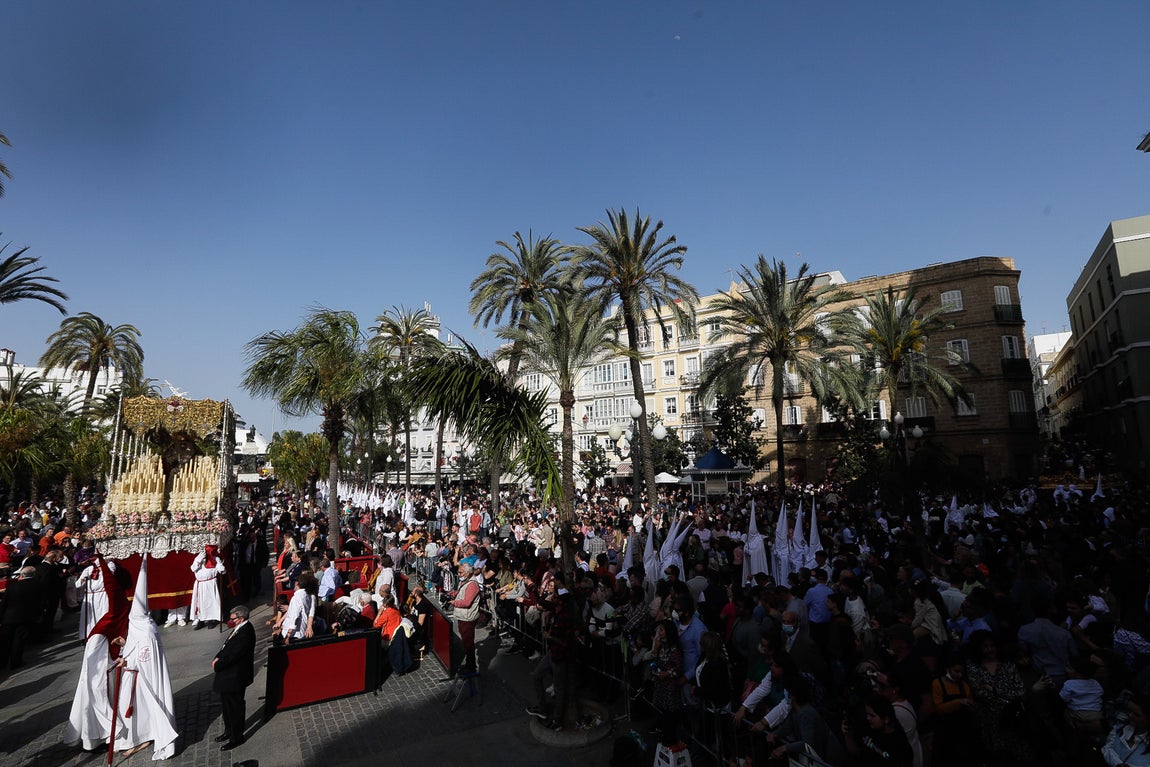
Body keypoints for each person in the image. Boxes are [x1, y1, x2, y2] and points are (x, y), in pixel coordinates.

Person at [113, 558, 178, 759]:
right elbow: (136, 646)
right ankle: (134, 738)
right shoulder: (140, 626)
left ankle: (139, 739)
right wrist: (125, 644)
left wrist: (126, 662)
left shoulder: (147, 631)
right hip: (134, 676)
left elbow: (145, 659)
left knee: (133, 708)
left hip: (142, 680)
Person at [64, 555, 127, 752]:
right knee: (95, 704)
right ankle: (95, 739)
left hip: (105, 673)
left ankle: (105, 736)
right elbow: (96, 667)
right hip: (97, 678)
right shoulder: (100, 632)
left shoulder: (113, 619)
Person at [212, 604, 256, 752]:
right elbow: (226, 646)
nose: (230, 621)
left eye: (233, 619)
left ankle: (237, 737)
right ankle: (229, 730)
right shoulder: (239, 629)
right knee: (227, 707)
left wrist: (218, 665)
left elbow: (234, 655)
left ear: (241, 618)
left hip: (236, 677)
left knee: (235, 708)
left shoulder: (246, 633)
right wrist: (217, 657)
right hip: (228, 677)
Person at [76, 555, 115, 642]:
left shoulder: (109, 566)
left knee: (102, 615)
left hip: (102, 595)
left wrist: (102, 568)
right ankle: (88, 636)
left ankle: (103, 635)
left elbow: (111, 574)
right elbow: (77, 585)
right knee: (89, 618)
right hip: (89, 597)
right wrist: (83, 578)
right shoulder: (88, 569)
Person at [452, 561, 482, 674]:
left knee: (468, 642)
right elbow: (462, 594)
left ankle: (471, 667)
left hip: (468, 617)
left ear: (467, 573)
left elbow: (466, 602)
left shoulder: (472, 584)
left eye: (460, 572)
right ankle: (469, 664)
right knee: (466, 641)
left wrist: (454, 602)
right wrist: (454, 594)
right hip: (463, 616)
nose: (458, 574)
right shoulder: (465, 581)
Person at [189, 545, 227, 630]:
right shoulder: (199, 557)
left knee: (210, 602)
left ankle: (211, 620)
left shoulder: (216, 559)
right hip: (200, 584)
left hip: (210, 583)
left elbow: (222, 571)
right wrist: (198, 560)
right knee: (200, 603)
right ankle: (201, 620)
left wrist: (221, 568)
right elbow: (193, 568)